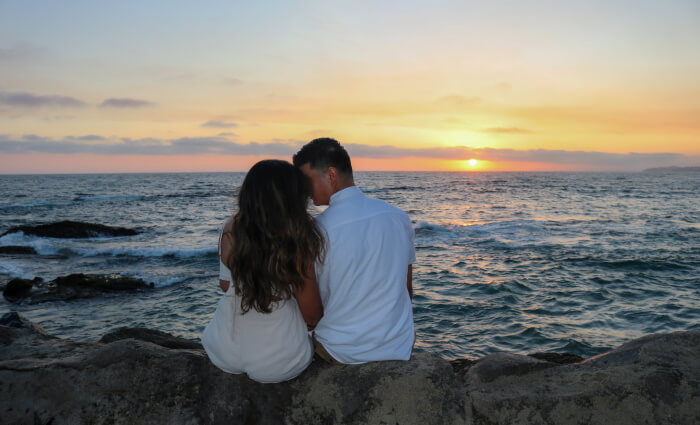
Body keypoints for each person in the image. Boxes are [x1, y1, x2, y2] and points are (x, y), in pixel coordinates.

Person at [293, 138, 415, 364]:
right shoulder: (399, 217)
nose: (303, 190)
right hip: (398, 346)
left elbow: (312, 315)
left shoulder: (315, 231)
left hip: (340, 351)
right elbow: (406, 291)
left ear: (330, 175)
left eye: (305, 181)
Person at [201, 159, 324, 383]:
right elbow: (312, 315)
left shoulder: (231, 228)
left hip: (221, 348)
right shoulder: (298, 237)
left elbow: (225, 284)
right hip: (277, 360)